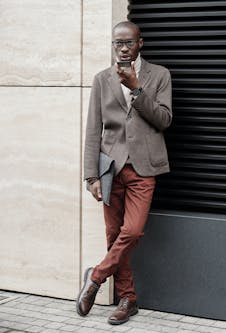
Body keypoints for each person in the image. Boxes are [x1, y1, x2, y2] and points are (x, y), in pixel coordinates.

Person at [77, 21, 172, 325]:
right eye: (117, 43)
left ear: (140, 43)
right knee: (113, 236)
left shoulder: (159, 75)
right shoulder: (102, 79)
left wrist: (136, 88)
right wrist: (91, 176)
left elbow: (164, 120)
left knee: (131, 232)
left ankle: (96, 276)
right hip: (110, 169)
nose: (122, 48)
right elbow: (93, 130)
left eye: (128, 43)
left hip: (144, 169)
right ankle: (128, 299)